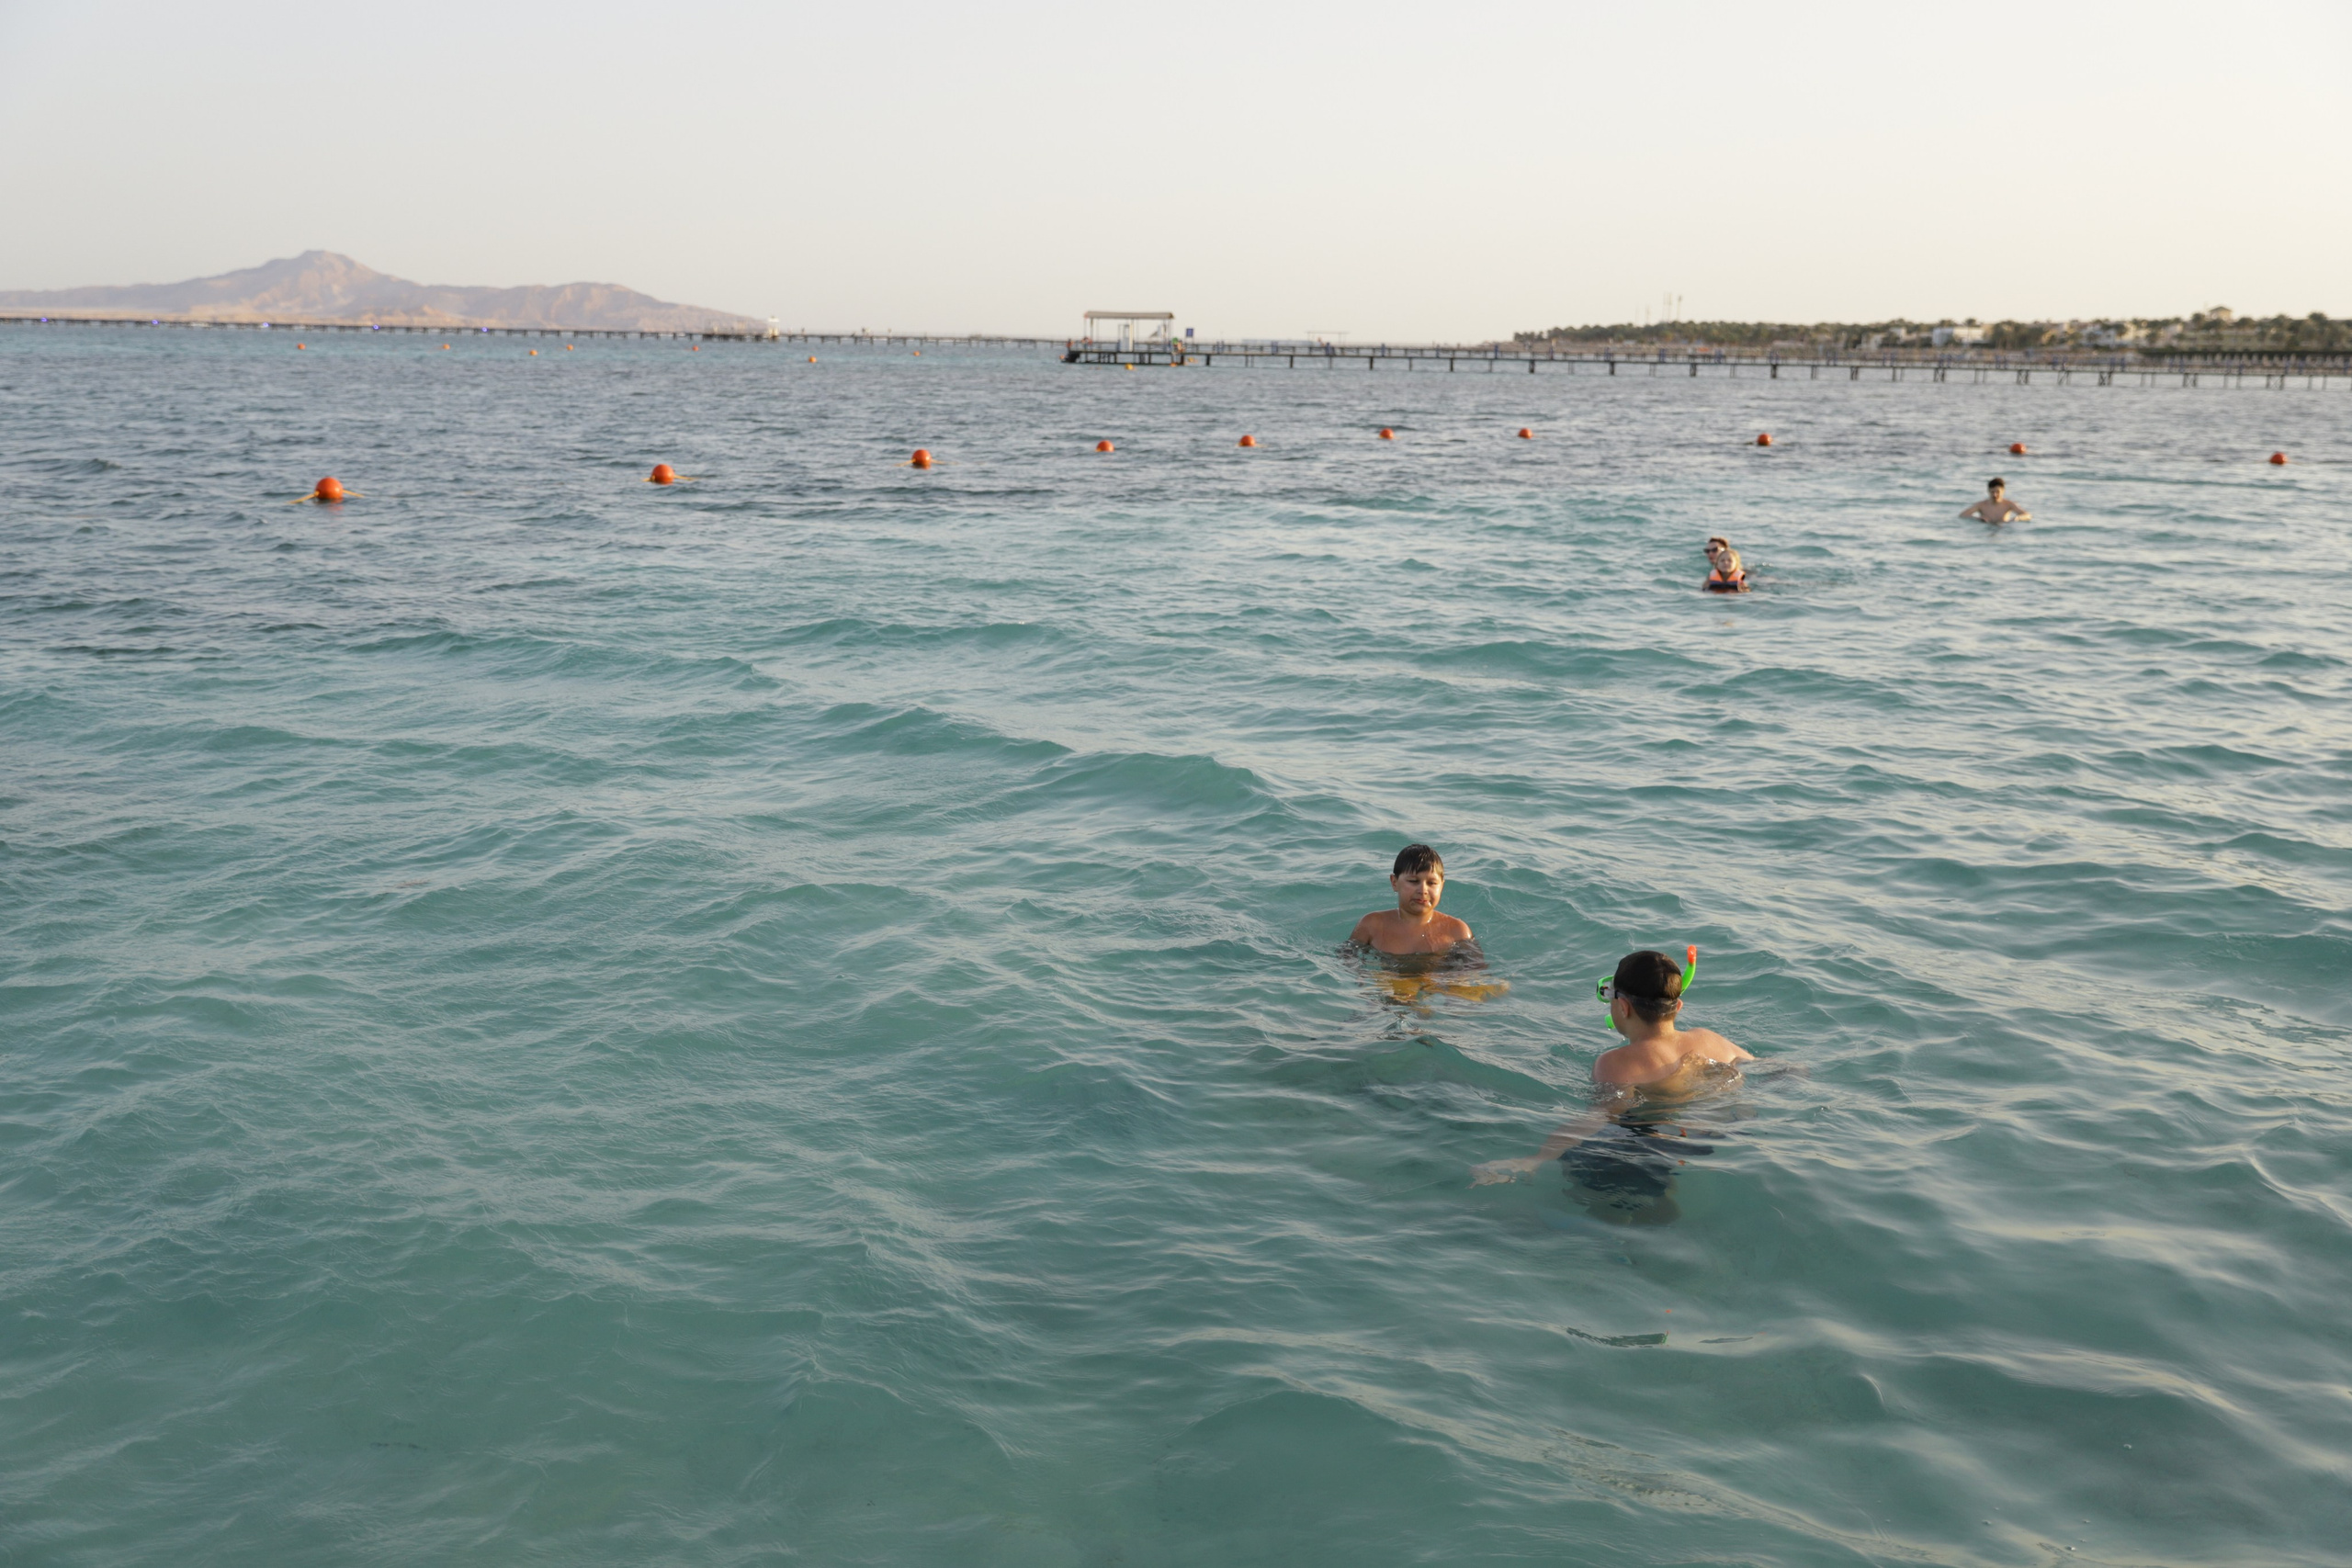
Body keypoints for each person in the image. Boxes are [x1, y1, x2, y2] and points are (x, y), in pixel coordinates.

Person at [1471, 948, 1751, 1186]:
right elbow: (1764, 1068)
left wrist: (1536, 1158)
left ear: (1624, 1007)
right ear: (1677, 1007)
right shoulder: (1708, 1039)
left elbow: (1596, 1118)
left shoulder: (1616, 1062)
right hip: (1721, 1129)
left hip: (1654, 1144)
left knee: (1584, 1162)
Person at [1349, 843, 1473, 955]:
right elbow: (1347, 963)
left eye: (1432, 883)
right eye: (1413, 881)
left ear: (1442, 886)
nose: (1423, 890)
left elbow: (1475, 973)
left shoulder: (1457, 931)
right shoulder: (1372, 925)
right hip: (1388, 979)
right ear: (1394, 882)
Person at [1960, 477, 2030, 524]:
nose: (1995, 495)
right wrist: (1978, 519)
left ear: (2003, 491)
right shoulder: (1981, 505)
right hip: (1986, 529)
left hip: (2003, 528)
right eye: (1992, 492)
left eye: (1997, 492)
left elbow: (2027, 515)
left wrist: (2017, 518)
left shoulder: (2009, 504)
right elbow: (1963, 515)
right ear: (1988, 491)